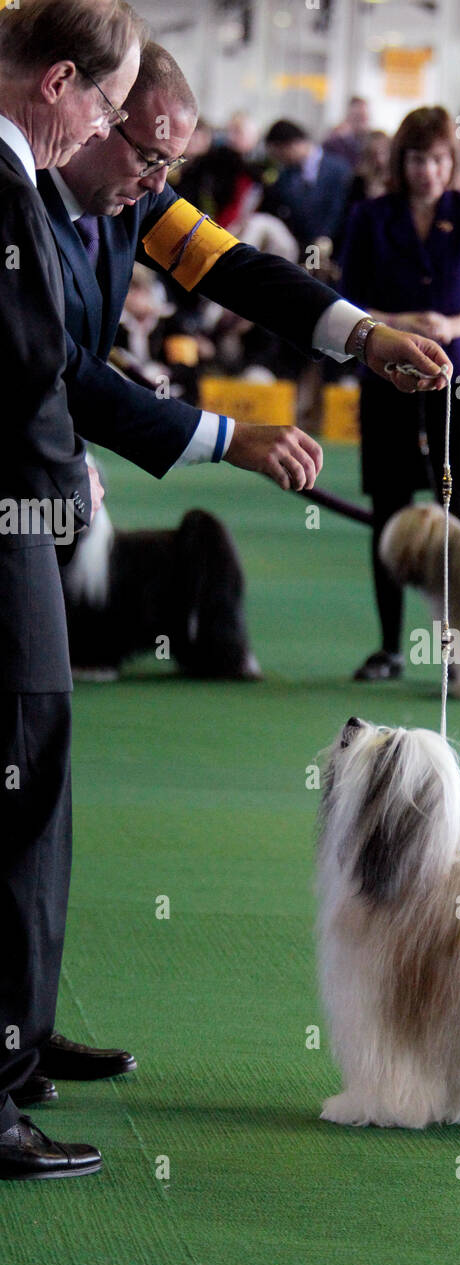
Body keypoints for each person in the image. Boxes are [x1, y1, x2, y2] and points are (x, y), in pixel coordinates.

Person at [39, 43, 450, 493]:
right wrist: (229, 438)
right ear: (99, 117)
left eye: (171, 163)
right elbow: (59, 367)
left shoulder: (142, 200)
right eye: (148, 156)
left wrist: (365, 336)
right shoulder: (17, 207)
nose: (159, 183)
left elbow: (232, 268)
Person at [0, 0, 142, 1182]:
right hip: (9, 536)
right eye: (103, 102)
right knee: (19, 799)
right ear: (59, 82)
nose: (105, 126)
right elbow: (32, 378)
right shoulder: (8, 195)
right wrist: (62, 496)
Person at [339, 105, 460, 682]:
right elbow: (349, 302)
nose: (428, 171)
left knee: (458, 517)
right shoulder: (368, 216)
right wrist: (401, 322)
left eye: (438, 159)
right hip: (388, 376)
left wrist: (450, 326)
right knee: (387, 511)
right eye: (416, 159)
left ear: (452, 161)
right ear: (399, 162)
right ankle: (389, 648)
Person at [259, 118, 352, 251]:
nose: (280, 160)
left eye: (280, 154)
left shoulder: (339, 169)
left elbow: (339, 208)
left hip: (334, 246)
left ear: (291, 145)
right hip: (302, 248)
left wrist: (325, 236)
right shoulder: (286, 175)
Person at [323, 95, 370, 171]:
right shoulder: (336, 138)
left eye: (363, 117)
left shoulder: (368, 138)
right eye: (357, 116)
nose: (361, 122)